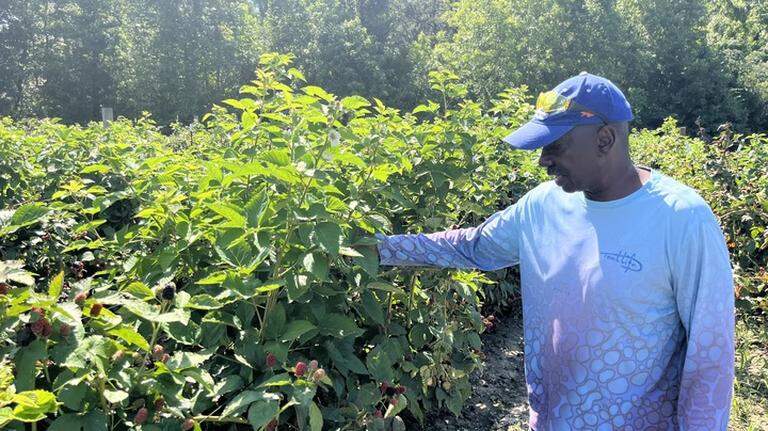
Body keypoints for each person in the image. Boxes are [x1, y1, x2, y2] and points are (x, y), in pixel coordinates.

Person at [371, 72, 735, 430]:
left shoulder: (682, 219)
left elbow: (710, 358)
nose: (543, 159)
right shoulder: (541, 206)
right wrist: (381, 249)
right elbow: (474, 247)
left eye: (555, 145)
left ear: (605, 139)